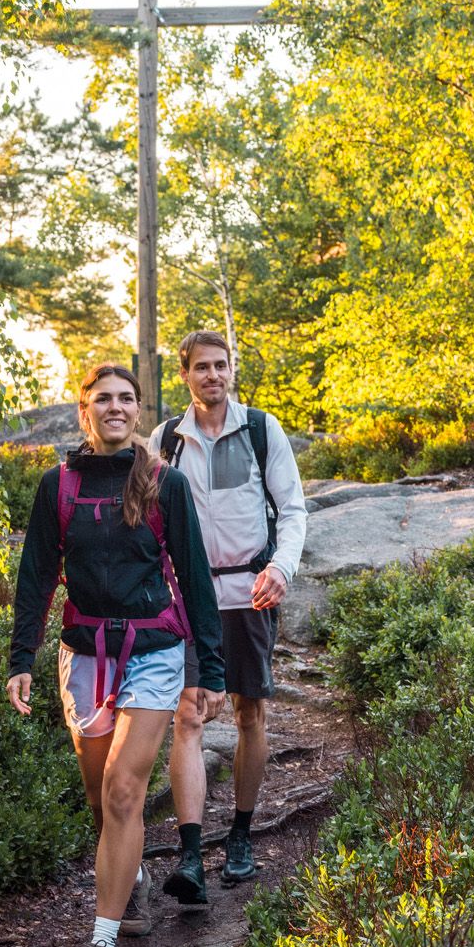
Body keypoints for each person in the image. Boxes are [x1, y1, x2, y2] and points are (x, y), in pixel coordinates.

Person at [7, 363, 225, 947]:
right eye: (102, 398)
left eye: (126, 398)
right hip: (84, 654)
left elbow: (194, 576)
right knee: (101, 797)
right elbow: (36, 576)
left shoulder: (165, 484)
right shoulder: (58, 486)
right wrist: (21, 658)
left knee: (125, 791)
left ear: (139, 408)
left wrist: (210, 670)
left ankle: (101, 945)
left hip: (154, 652)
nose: (116, 407)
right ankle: (131, 884)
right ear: (85, 410)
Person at [156, 330, 308, 901]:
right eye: (202, 367)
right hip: (187, 601)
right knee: (188, 717)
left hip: (251, 594)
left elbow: (292, 509)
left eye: (221, 365)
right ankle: (191, 854)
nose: (213, 375)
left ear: (231, 370)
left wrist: (282, 568)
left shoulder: (262, 430)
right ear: (185, 375)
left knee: (249, 714)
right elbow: (149, 519)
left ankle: (241, 837)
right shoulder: (166, 440)